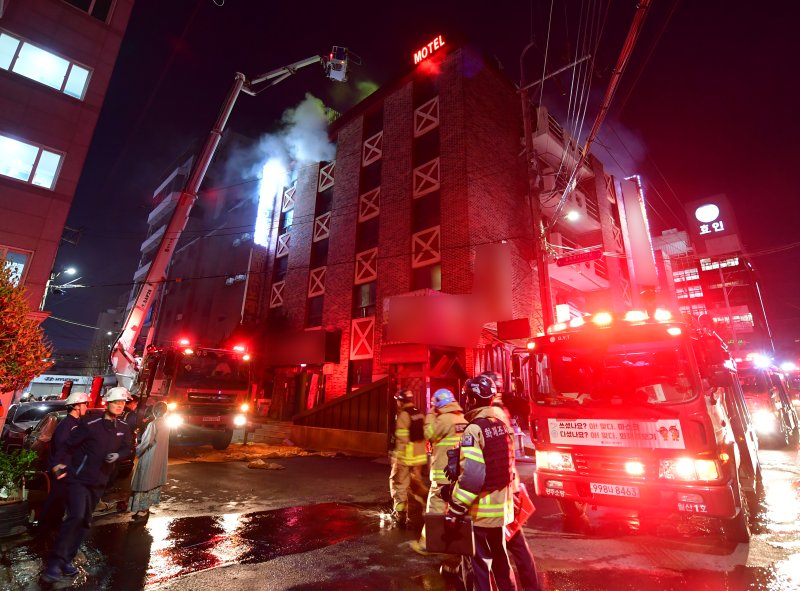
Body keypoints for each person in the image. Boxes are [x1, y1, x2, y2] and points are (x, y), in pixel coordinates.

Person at [41, 386, 133, 583]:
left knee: (84, 522)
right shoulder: (90, 424)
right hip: (78, 480)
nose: (119, 405)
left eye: (123, 402)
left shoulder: (123, 428)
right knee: (76, 516)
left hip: (100, 482)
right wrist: (58, 463)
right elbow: (67, 445)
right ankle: (55, 563)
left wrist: (118, 455)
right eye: (116, 402)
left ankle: (67, 559)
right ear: (107, 403)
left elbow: (128, 448)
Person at [441, 374, 517, 591]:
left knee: (479, 568)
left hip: (480, 513)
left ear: (473, 400)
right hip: (500, 511)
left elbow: (473, 478)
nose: (466, 402)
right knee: (502, 563)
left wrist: (455, 508)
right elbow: (502, 466)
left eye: (467, 397)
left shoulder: (474, 430)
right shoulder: (502, 425)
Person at [410, 388, 467, 555]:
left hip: (443, 472)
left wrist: (430, 415)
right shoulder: (461, 418)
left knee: (435, 507)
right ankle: (456, 543)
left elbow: (428, 433)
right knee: (456, 507)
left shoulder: (442, 419)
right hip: (460, 472)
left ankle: (429, 544)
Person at [36, 391, 90, 534]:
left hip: (70, 470)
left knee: (61, 503)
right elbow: (62, 449)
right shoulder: (66, 426)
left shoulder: (76, 424)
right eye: (85, 404)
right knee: (55, 501)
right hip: (62, 470)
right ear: (76, 406)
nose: (86, 407)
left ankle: (52, 529)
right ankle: (43, 531)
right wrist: (60, 468)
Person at [389, 389, 428, 528]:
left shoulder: (404, 415)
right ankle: (427, 499)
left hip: (406, 456)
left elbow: (402, 439)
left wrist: (396, 457)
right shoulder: (419, 413)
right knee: (415, 483)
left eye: (398, 400)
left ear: (401, 401)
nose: (397, 403)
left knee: (398, 483)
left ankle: (400, 515)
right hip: (419, 456)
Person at [129, 401, 170, 521]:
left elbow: (147, 442)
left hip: (150, 456)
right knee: (152, 483)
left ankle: (141, 509)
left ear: (154, 411)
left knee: (144, 482)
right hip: (160, 457)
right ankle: (146, 508)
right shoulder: (166, 424)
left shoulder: (153, 424)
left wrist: (136, 451)